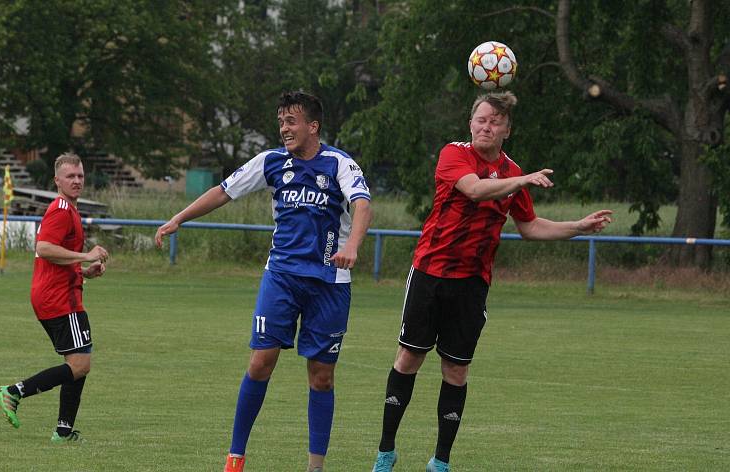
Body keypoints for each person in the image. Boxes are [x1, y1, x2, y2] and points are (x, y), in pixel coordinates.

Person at [371, 91, 612, 472]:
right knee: (409, 358)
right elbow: (475, 189)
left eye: (495, 122)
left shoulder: (514, 173)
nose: (487, 126)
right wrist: (522, 181)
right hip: (431, 274)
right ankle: (386, 453)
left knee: (456, 370)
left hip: (472, 283)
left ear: (507, 131)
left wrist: (578, 227)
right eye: (482, 119)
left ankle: (440, 462)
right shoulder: (454, 154)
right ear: (471, 124)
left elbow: (530, 227)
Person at [155, 91, 372, 472]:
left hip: (329, 281)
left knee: (321, 377)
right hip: (282, 277)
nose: (284, 129)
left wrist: (352, 243)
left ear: (313, 126)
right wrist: (179, 218)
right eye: (281, 122)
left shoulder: (339, 163)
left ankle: (315, 467)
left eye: (291, 121)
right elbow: (224, 191)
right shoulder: (271, 162)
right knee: (260, 363)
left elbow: (362, 204)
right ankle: (235, 458)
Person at [0, 153, 108, 443]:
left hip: (60, 293)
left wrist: (84, 272)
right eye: (70, 176)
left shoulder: (69, 209)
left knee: (78, 361)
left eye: (80, 176)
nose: (77, 181)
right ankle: (14, 392)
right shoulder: (60, 209)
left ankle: (63, 431)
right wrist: (86, 255)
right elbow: (44, 248)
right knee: (80, 364)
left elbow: (55, 260)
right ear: (57, 181)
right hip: (59, 299)